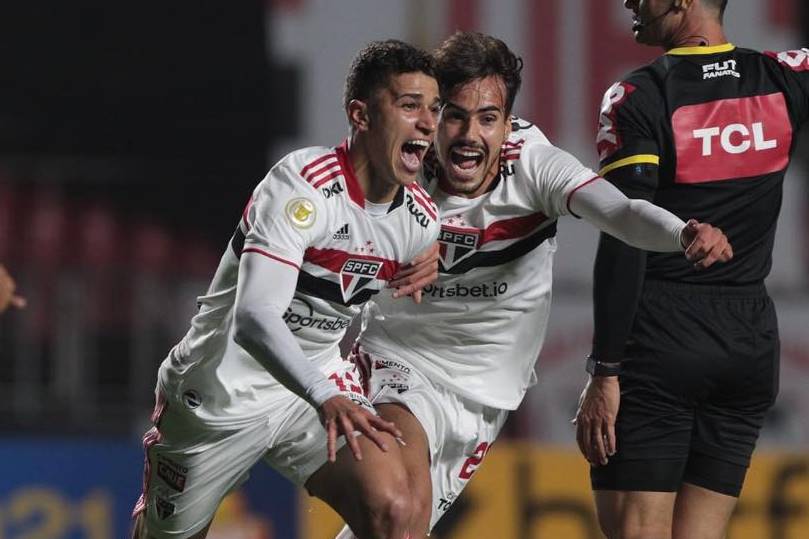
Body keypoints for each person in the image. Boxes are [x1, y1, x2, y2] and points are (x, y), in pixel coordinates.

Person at [335, 31, 732, 538]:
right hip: (401, 357)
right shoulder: (400, 162)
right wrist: (402, 241)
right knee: (396, 508)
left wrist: (682, 232)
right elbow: (338, 230)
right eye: (454, 115)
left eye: (487, 118)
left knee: (398, 528)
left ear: (507, 123)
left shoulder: (535, 166)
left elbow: (621, 213)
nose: (468, 135)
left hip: (486, 390)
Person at [132, 39, 442, 539]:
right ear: (360, 115)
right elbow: (255, 317)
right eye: (409, 106)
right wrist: (325, 396)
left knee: (396, 510)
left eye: (434, 108)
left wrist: (435, 260)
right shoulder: (302, 186)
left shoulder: (420, 222)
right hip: (220, 392)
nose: (428, 123)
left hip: (314, 385)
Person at [574, 1, 809, 537]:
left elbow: (624, 232)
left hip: (661, 340)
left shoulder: (639, 95)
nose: (629, 2)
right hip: (749, 340)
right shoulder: (781, 78)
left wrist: (605, 371)